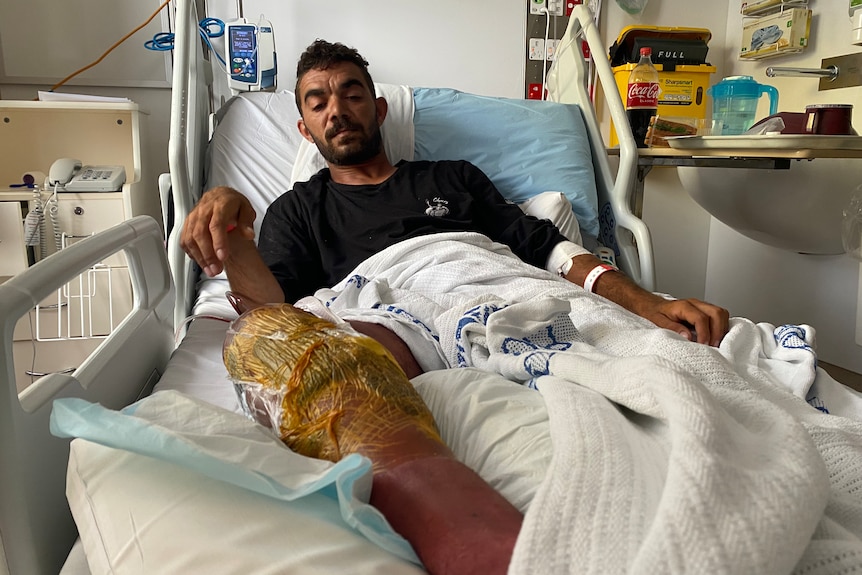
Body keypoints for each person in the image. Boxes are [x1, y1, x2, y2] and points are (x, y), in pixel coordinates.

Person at [181, 39, 729, 351]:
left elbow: (547, 249)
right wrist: (233, 232)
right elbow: (276, 311)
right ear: (304, 129)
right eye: (318, 101)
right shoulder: (298, 210)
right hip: (396, 334)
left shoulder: (452, 178)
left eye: (352, 94)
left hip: (507, 297)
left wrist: (648, 303)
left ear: (379, 110)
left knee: (679, 354)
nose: (337, 110)